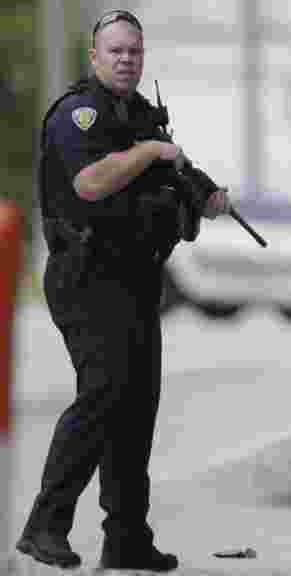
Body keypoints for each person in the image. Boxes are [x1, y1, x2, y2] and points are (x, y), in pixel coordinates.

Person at [16, 9, 231, 572]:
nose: (126, 59)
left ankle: (127, 537)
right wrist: (153, 154)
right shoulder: (78, 114)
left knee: (137, 408)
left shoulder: (139, 117)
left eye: (134, 51)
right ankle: (45, 525)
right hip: (85, 277)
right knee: (104, 394)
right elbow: (91, 183)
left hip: (134, 279)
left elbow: (174, 172)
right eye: (115, 50)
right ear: (94, 56)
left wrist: (202, 191)